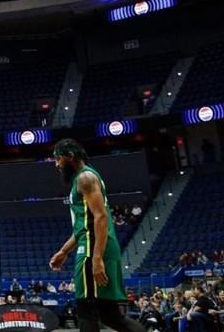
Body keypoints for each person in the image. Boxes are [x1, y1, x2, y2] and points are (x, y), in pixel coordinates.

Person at [48, 139, 145, 332]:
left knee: (85, 309)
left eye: (58, 159)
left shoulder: (85, 178)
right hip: (98, 244)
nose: (56, 165)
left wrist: (97, 258)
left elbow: (101, 218)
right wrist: (64, 251)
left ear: (70, 156)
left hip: (93, 248)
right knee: (111, 316)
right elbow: (86, 225)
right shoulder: (85, 177)